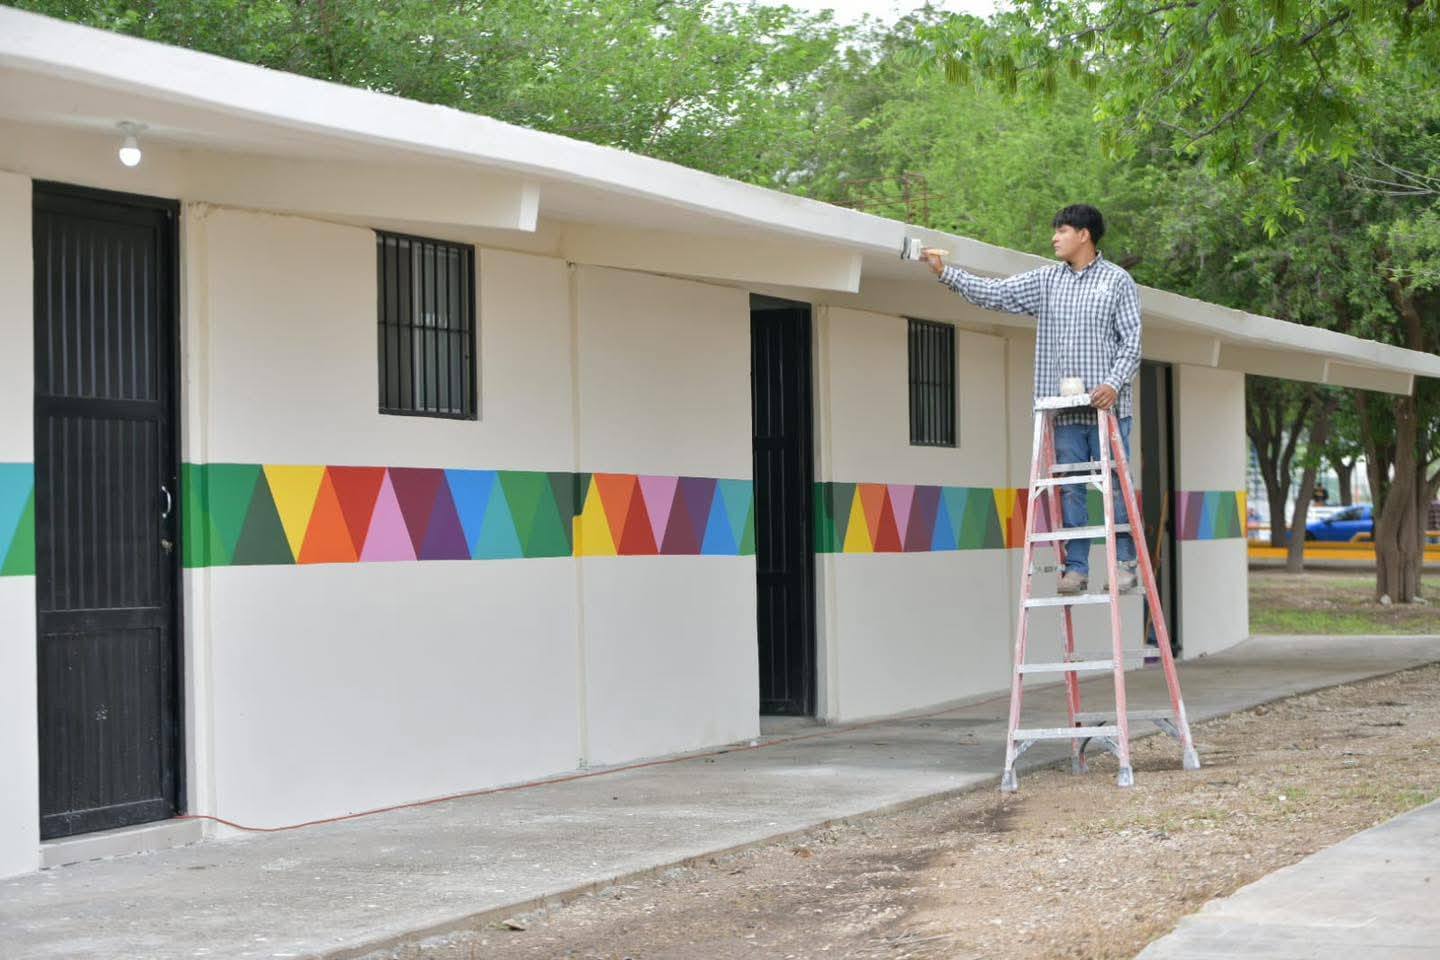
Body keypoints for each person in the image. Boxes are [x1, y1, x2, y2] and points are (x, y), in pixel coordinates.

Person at [924, 204, 1141, 595]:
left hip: (1106, 409)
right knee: (1071, 487)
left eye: (1062, 231)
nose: (1055, 238)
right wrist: (946, 274)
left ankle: (1125, 563)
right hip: (1064, 412)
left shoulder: (1117, 281)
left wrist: (1113, 382)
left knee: (1113, 484)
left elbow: (1132, 343)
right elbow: (996, 294)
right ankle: (1076, 568)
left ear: (1084, 235)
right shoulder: (1046, 281)